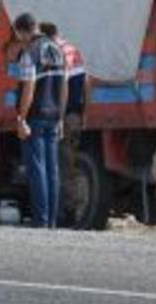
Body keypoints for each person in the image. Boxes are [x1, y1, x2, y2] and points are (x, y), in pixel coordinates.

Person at [14, 13, 67, 229]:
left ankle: (40, 220)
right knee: (53, 170)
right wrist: (61, 117)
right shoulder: (58, 51)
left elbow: (29, 89)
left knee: (37, 169)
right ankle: (52, 221)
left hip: (35, 117)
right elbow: (65, 87)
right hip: (54, 116)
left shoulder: (30, 54)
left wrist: (21, 118)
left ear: (22, 32)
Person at [39, 22, 87, 227]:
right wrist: (86, 113)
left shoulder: (55, 51)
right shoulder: (73, 49)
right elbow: (87, 84)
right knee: (71, 164)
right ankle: (73, 211)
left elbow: (63, 85)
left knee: (61, 165)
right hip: (76, 115)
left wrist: (59, 115)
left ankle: (67, 214)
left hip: (65, 115)